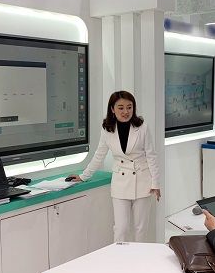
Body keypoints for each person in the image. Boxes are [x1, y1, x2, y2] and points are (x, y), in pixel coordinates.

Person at [67, 91, 161, 243]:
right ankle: (119, 256)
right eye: (121, 108)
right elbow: (99, 155)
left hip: (143, 181)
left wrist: (156, 183)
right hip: (120, 183)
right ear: (112, 109)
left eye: (129, 107)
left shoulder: (142, 127)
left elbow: (151, 155)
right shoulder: (107, 129)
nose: (126, 111)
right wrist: (84, 176)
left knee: (140, 228)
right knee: (121, 228)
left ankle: (140, 257)